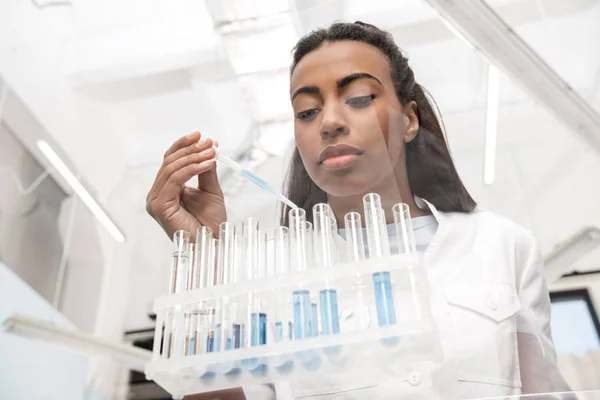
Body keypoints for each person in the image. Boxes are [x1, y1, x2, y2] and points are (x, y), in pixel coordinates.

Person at [146, 21, 570, 399]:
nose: (329, 122)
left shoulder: (499, 244)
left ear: (409, 120)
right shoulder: (266, 273)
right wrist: (204, 263)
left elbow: (545, 392)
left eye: (360, 97)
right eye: (307, 111)